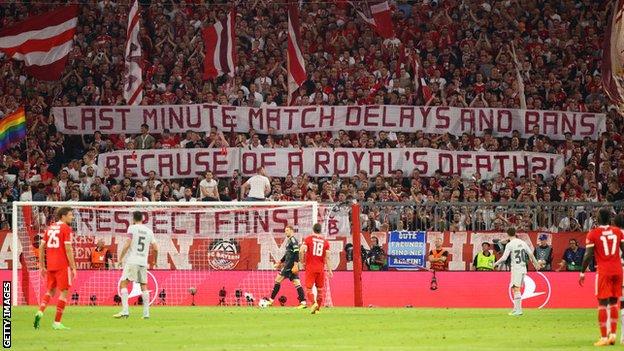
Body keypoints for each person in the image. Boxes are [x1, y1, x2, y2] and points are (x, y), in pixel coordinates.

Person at [579, 208, 624, 346]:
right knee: (614, 303)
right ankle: (614, 335)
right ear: (609, 219)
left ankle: (604, 336)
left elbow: (588, 255)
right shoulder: (617, 232)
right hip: (618, 270)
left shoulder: (593, 233)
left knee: (602, 303)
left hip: (604, 271)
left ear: (598, 218)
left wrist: (582, 272)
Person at [33, 207, 77, 330]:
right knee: (63, 292)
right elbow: (68, 249)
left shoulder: (50, 227)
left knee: (50, 291)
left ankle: (40, 311)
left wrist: (42, 266)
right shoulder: (66, 228)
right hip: (62, 265)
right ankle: (57, 323)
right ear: (63, 216)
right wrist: (73, 267)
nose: (72, 217)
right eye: (70, 215)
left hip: (50, 265)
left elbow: (41, 247)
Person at [114, 211, 159, 319]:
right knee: (144, 286)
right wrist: (155, 261)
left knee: (123, 284)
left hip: (132, 261)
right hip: (143, 262)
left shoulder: (132, 228)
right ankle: (146, 314)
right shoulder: (149, 231)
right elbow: (156, 248)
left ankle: (125, 311)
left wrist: (120, 259)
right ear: (142, 219)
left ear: (133, 219)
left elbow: (127, 243)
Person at [494, 227, 542, 316]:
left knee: (516, 288)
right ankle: (515, 308)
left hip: (516, 268)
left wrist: (495, 263)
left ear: (507, 234)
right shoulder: (522, 243)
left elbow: (504, 258)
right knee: (514, 288)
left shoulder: (510, 244)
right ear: (515, 233)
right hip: (523, 268)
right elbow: (530, 254)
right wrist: (536, 265)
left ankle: (519, 310)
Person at [267, 225, 306, 308]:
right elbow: (287, 254)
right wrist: (280, 262)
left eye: (287, 230)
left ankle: (270, 300)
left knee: (277, 280)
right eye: (285, 230)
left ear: (292, 231)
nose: (286, 232)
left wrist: (295, 265)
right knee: (297, 283)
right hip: (290, 265)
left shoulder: (293, 240)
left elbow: (296, 252)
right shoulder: (289, 240)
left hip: (289, 265)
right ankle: (303, 302)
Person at [300, 223, 332, 314]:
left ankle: (314, 304)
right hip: (321, 268)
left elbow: (302, 250)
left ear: (313, 229)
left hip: (310, 267)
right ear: (320, 230)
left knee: (309, 289)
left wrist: (302, 261)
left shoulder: (308, 239)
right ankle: (317, 310)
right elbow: (328, 257)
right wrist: (329, 270)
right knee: (320, 290)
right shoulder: (325, 242)